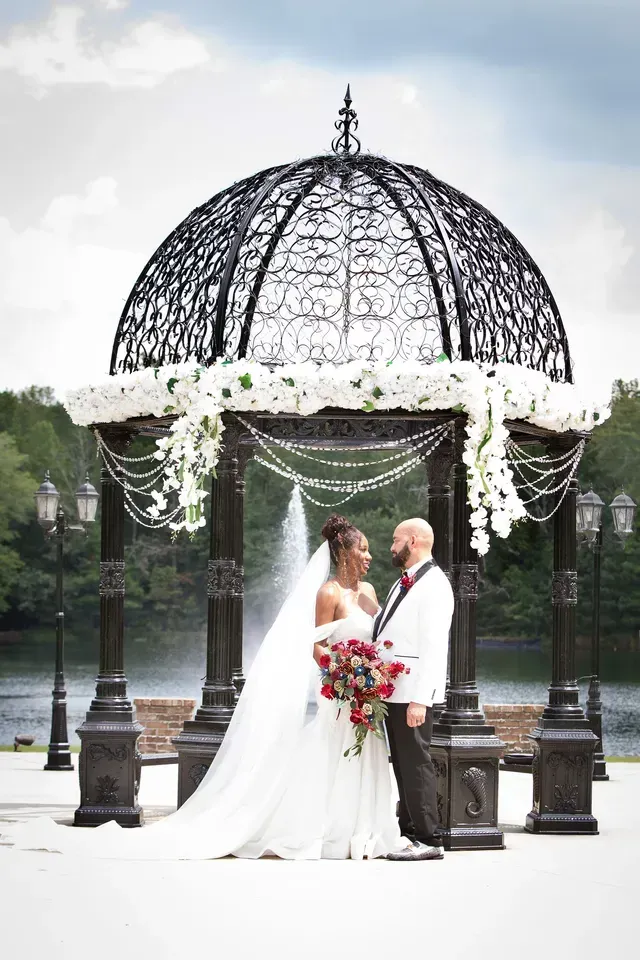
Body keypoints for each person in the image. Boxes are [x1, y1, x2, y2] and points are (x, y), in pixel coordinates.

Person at [0, 514, 403, 861]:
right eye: (363, 549)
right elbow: (315, 645)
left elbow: (383, 634)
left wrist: (372, 670)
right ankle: (325, 829)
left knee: (365, 755)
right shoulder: (328, 592)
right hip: (339, 692)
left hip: (364, 694)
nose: (369, 557)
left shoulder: (367, 593)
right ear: (343, 551)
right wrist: (342, 671)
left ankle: (362, 829)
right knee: (332, 754)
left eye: (369, 550)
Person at [376, 518, 454, 861]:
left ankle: (428, 838)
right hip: (395, 692)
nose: (392, 548)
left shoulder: (435, 585)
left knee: (417, 764)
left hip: (412, 695)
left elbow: (435, 647)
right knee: (403, 765)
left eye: (395, 541)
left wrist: (421, 699)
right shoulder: (404, 583)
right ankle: (409, 834)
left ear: (413, 540)